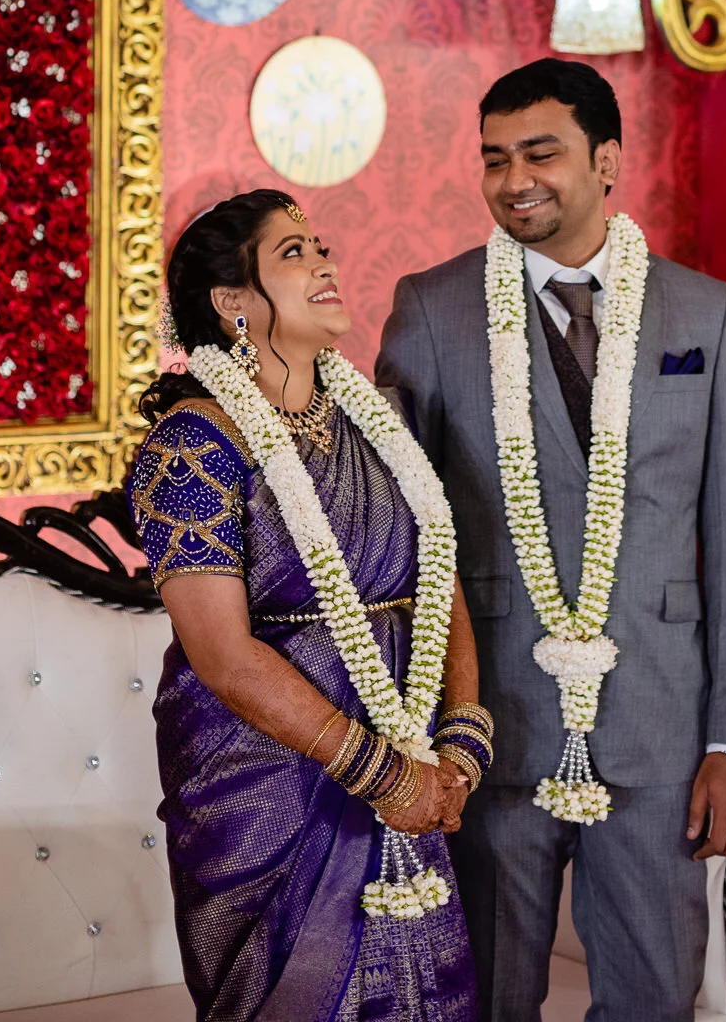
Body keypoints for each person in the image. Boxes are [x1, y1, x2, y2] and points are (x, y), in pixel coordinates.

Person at [375, 60, 726, 1022]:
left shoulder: (699, 310)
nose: (514, 179)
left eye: (540, 153)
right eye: (494, 159)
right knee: (483, 1000)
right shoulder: (431, 308)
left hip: (659, 729)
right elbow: (393, 530)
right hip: (487, 730)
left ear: (605, 160)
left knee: (653, 998)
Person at [128, 188, 485, 1021]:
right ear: (232, 302)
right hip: (270, 784)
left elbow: (440, 574)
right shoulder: (192, 445)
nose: (326, 263)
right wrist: (376, 771)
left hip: (411, 755)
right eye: (293, 253)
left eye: (320, 246)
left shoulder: (376, 423)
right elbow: (221, 654)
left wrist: (462, 739)